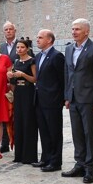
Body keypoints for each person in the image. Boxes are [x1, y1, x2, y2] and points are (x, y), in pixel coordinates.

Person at [63, 18, 93, 184]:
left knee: (89, 134)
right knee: (77, 133)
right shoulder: (68, 49)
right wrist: (67, 96)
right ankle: (79, 164)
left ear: (86, 31)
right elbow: (68, 74)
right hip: (73, 99)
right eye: (73, 29)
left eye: (78, 29)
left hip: (89, 100)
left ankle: (89, 169)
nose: (74, 32)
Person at [32, 29, 65, 172]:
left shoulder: (57, 56)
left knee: (54, 132)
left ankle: (55, 162)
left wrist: (62, 99)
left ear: (49, 40)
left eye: (40, 37)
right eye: (37, 37)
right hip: (39, 100)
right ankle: (45, 158)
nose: (37, 40)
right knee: (44, 131)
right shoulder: (39, 56)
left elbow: (62, 79)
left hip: (53, 101)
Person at [7, 39, 38, 164]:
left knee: (28, 122)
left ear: (27, 48)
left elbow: (35, 79)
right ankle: (18, 154)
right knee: (18, 122)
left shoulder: (32, 61)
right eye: (17, 47)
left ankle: (29, 155)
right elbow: (13, 81)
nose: (19, 49)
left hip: (28, 93)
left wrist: (22, 74)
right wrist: (11, 76)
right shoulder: (16, 61)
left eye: (22, 47)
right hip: (18, 93)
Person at [0, 21, 18, 152]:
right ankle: (4, 142)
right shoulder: (1, 47)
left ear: (15, 31)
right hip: (4, 87)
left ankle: (18, 141)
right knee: (5, 113)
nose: (8, 31)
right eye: (6, 30)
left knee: (16, 115)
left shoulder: (21, 45)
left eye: (11, 29)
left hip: (19, 86)